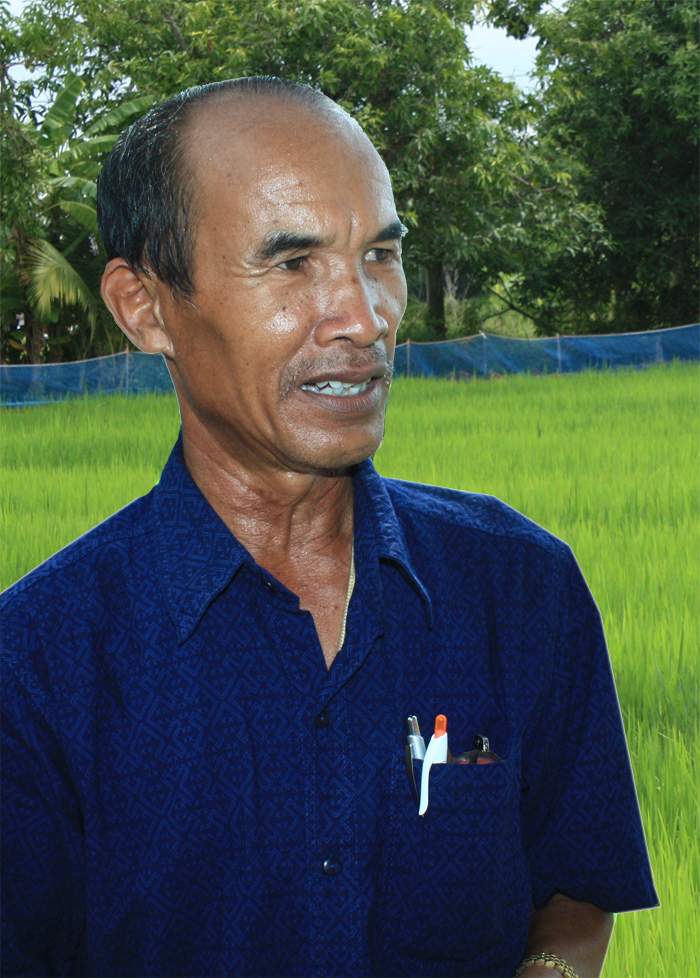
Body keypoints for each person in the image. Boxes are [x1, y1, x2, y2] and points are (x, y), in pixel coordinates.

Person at [1, 77, 657, 978]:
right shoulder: (36, 663)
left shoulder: (520, 586)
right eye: (292, 263)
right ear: (146, 307)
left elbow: (578, 889)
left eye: (380, 255)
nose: (364, 317)